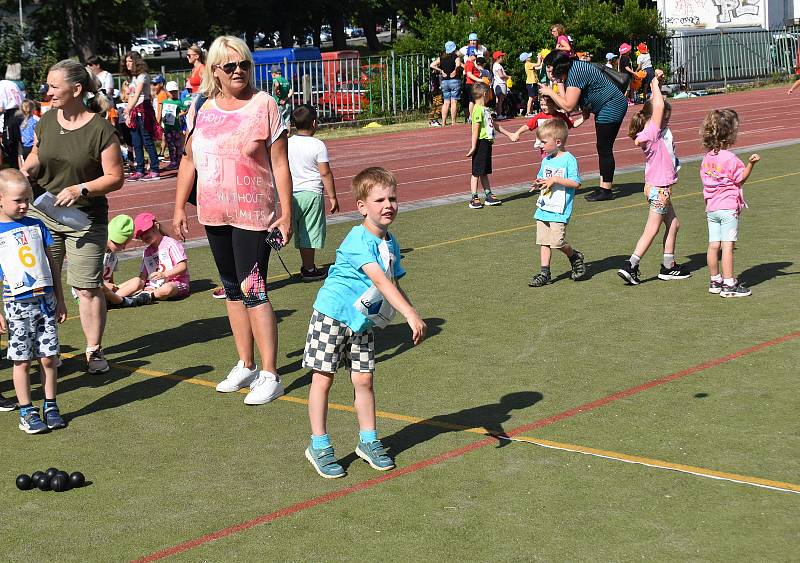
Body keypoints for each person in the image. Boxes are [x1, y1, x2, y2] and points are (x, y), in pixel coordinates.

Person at [173, 36, 293, 405]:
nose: (238, 71)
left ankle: (271, 374)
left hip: (254, 214)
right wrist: (179, 207)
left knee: (254, 289)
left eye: (243, 64)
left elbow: (279, 163)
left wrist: (286, 213)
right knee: (230, 288)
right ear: (215, 72)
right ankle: (246, 363)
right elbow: (189, 159)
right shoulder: (201, 107)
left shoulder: (264, 104)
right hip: (214, 212)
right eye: (229, 66)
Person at [302, 167, 426, 479]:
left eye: (393, 198)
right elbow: (382, 283)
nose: (388, 205)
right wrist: (409, 315)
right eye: (380, 199)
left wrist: (410, 308)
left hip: (361, 323)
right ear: (362, 206)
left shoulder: (391, 242)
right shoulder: (357, 240)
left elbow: (394, 284)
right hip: (332, 316)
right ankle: (319, 445)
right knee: (323, 379)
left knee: (364, 381)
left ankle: (368, 441)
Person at [21, 59, 124, 375]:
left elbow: (115, 177)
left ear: (76, 89)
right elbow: (37, 154)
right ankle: (51, 348)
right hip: (44, 214)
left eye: (54, 86)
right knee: (43, 284)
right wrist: (27, 170)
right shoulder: (46, 120)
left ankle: (94, 350)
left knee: (86, 287)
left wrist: (81, 189)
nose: (47, 92)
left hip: (85, 219)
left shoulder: (101, 129)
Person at [0, 169, 67, 433]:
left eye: (27, 198)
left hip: (45, 303)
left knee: (49, 358)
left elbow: (52, 266)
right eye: (18, 200)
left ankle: (50, 405)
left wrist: (60, 300)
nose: (24, 205)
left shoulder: (38, 227)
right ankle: (27, 411)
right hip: (17, 307)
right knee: (22, 360)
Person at [617, 70, 690, 286]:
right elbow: (657, 106)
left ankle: (669, 266)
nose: (666, 116)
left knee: (674, 224)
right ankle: (631, 264)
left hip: (655, 187)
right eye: (663, 114)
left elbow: (657, 104)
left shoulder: (652, 130)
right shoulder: (653, 132)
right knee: (652, 228)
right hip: (660, 189)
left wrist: (657, 84)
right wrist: (653, 84)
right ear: (655, 117)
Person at [540, 50, 629, 202]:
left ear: (558, 66)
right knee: (602, 147)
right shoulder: (571, 70)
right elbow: (566, 102)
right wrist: (557, 83)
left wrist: (550, 91)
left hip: (612, 104)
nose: (548, 71)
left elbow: (568, 106)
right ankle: (604, 188)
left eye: (550, 68)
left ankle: (606, 190)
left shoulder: (575, 73)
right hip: (605, 105)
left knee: (604, 147)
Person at [700, 109, 760, 298]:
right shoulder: (730, 158)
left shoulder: (707, 158)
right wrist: (751, 164)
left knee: (713, 245)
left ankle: (715, 280)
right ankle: (729, 284)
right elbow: (740, 179)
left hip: (711, 207)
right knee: (728, 246)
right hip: (727, 207)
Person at [527, 120, 587, 287]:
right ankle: (544, 273)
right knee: (544, 241)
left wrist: (556, 179)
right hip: (544, 207)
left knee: (557, 242)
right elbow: (542, 177)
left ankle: (574, 256)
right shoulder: (546, 160)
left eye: (544, 142)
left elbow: (576, 183)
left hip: (560, 210)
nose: (541, 145)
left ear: (558, 142)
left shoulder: (569, 159)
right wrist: (537, 183)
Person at [288, 104, 339, 281]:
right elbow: (325, 172)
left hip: (290, 193)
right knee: (308, 232)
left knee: (291, 228)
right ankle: (309, 268)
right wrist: (332, 196)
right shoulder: (318, 145)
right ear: (314, 123)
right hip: (311, 193)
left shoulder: (287, 143)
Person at [117, 212, 190, 304]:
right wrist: (137, 284)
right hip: (153, 286)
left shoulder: (171, 244)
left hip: (176, 283)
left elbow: (182, 267)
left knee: (167, 289)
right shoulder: (147, 252)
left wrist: (165, 274)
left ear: (156, 226)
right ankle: (113, 296)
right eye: (141, 235)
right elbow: (143, 276)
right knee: (136, 281)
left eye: (146, 231)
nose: (144, 236)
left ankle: (145, 296)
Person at [122, 51, 161, 181]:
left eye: (130, 61)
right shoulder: (133, 78)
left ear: (136, 62)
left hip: (143, 110)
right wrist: (128, 113)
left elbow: (138, 94)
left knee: (147, 140)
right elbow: (131, 96)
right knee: (136, 141)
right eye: (126, 61)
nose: (127, 64)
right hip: (134, 110)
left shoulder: (142, 76)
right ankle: (140, 170)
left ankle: (155, 169)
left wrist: (127, 109)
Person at [506, 94, 586, 147]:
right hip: (545, 148)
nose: (543, 107)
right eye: (542, 105)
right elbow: (528, 126)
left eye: (546, 105)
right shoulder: (539, 116)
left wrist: (584, 118)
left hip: (558, 146)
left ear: (554, 104)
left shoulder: (560, 116)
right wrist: (517, 133)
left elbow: (572, 124)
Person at [95, 214, 139, 308]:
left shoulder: (112, 255)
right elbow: (91, 279)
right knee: (102, 288)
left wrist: (112, 286)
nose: (123, 248)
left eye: (125, 244)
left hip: (106, 290)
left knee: (137, 281)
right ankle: (120, 301)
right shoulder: (96, 252)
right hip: (94, 289)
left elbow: (110, 278)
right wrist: (106, 285)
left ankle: (112, 300)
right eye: (121, 243)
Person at [430, 41, 462, 126]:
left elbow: (432, 65)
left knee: (446, 102)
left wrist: (441, 71)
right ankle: (453, 122)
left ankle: (443, 122)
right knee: (454, 102)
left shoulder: (441, 58)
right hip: (454, 80)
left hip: (444, 81)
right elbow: (458, 65)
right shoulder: (456, 57)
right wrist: (455, 71)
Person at [160, 81, 188, 171]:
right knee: (170, 146)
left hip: (176, 128)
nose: (173, 94)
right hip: (167, 128)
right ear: (167, 92)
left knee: (178, 145)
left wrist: (180, 115)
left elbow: (186, 109)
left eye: (175, 91)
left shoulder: (178, 102)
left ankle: (179, 162)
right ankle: (173, 163)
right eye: (171, 92)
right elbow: (161, 112)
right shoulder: (164, 102)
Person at [0, 79, 24, 169]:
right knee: (20, 147)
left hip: (10, 116)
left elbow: (1, 108)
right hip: (21, 114)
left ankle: (15, 172)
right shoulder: (12, 84)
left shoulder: (1, 86)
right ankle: (23, 172)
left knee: (10, 146)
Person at [491, 51, 510, 119]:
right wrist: (508, 77)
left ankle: (497, 113)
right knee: (500, 100)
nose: (503, 58)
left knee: (498, 100)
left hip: (498, 83)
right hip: (500, 83)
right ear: (497, 58)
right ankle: (499, 114)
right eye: (501, 57)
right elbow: (501, 75)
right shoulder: (497, 65)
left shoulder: (495, 65)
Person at [520, 52, 539, 116]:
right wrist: (539, 57)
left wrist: (541, 60)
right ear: (526, 59)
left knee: (533, 98)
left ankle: (530, 112)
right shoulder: (528, 64)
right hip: (531, 82)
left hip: (533, 82)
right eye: (528, 57)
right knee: (530, 98)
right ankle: (528, 113)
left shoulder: (529, 64)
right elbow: (538, 64)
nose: (530, 58)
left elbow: (539, 66)